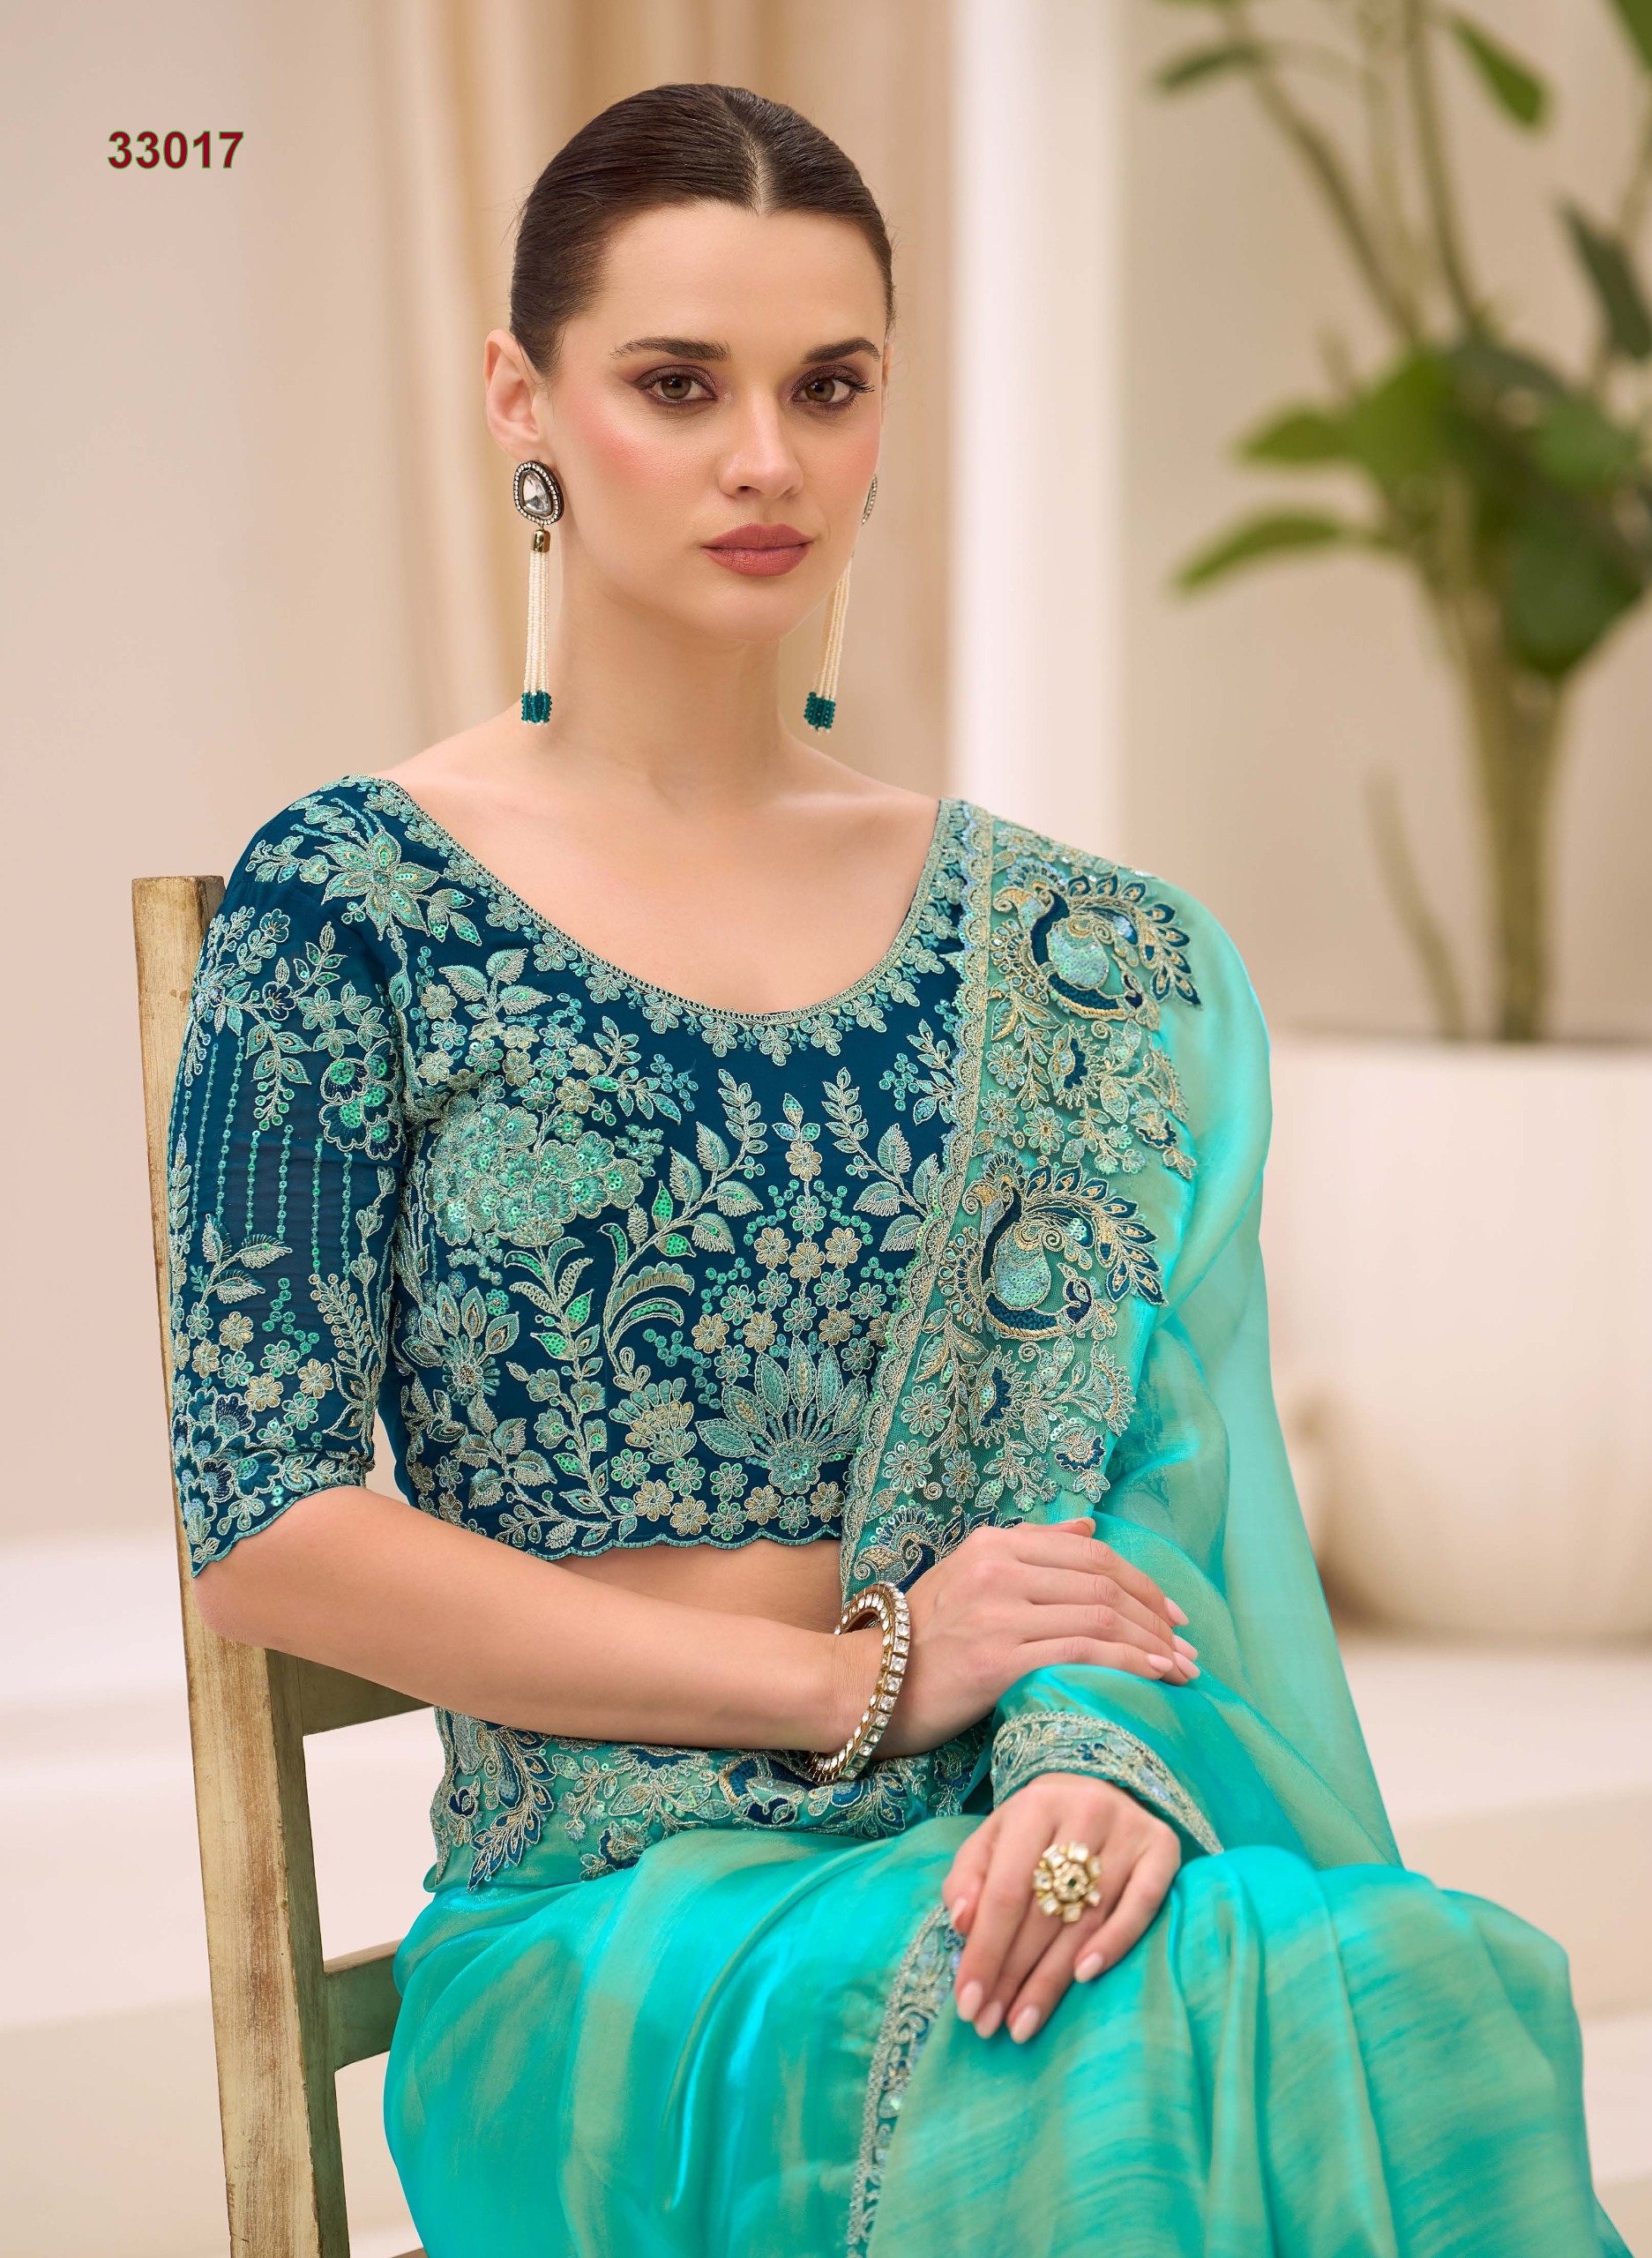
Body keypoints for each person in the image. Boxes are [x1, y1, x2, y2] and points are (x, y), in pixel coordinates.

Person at [164, 82, 1626, 2258]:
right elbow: (267, 1525)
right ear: (522, 401)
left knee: (1400, 1986)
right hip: (604, 1932)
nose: (767, 457)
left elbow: (1138, 1492)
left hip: (1008, 1846)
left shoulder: (1079, 955)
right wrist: (852, 1672)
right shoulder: (351, 909)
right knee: (1129, 2057)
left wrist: (1088, 1764)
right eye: (681, 384)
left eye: (828, 386)